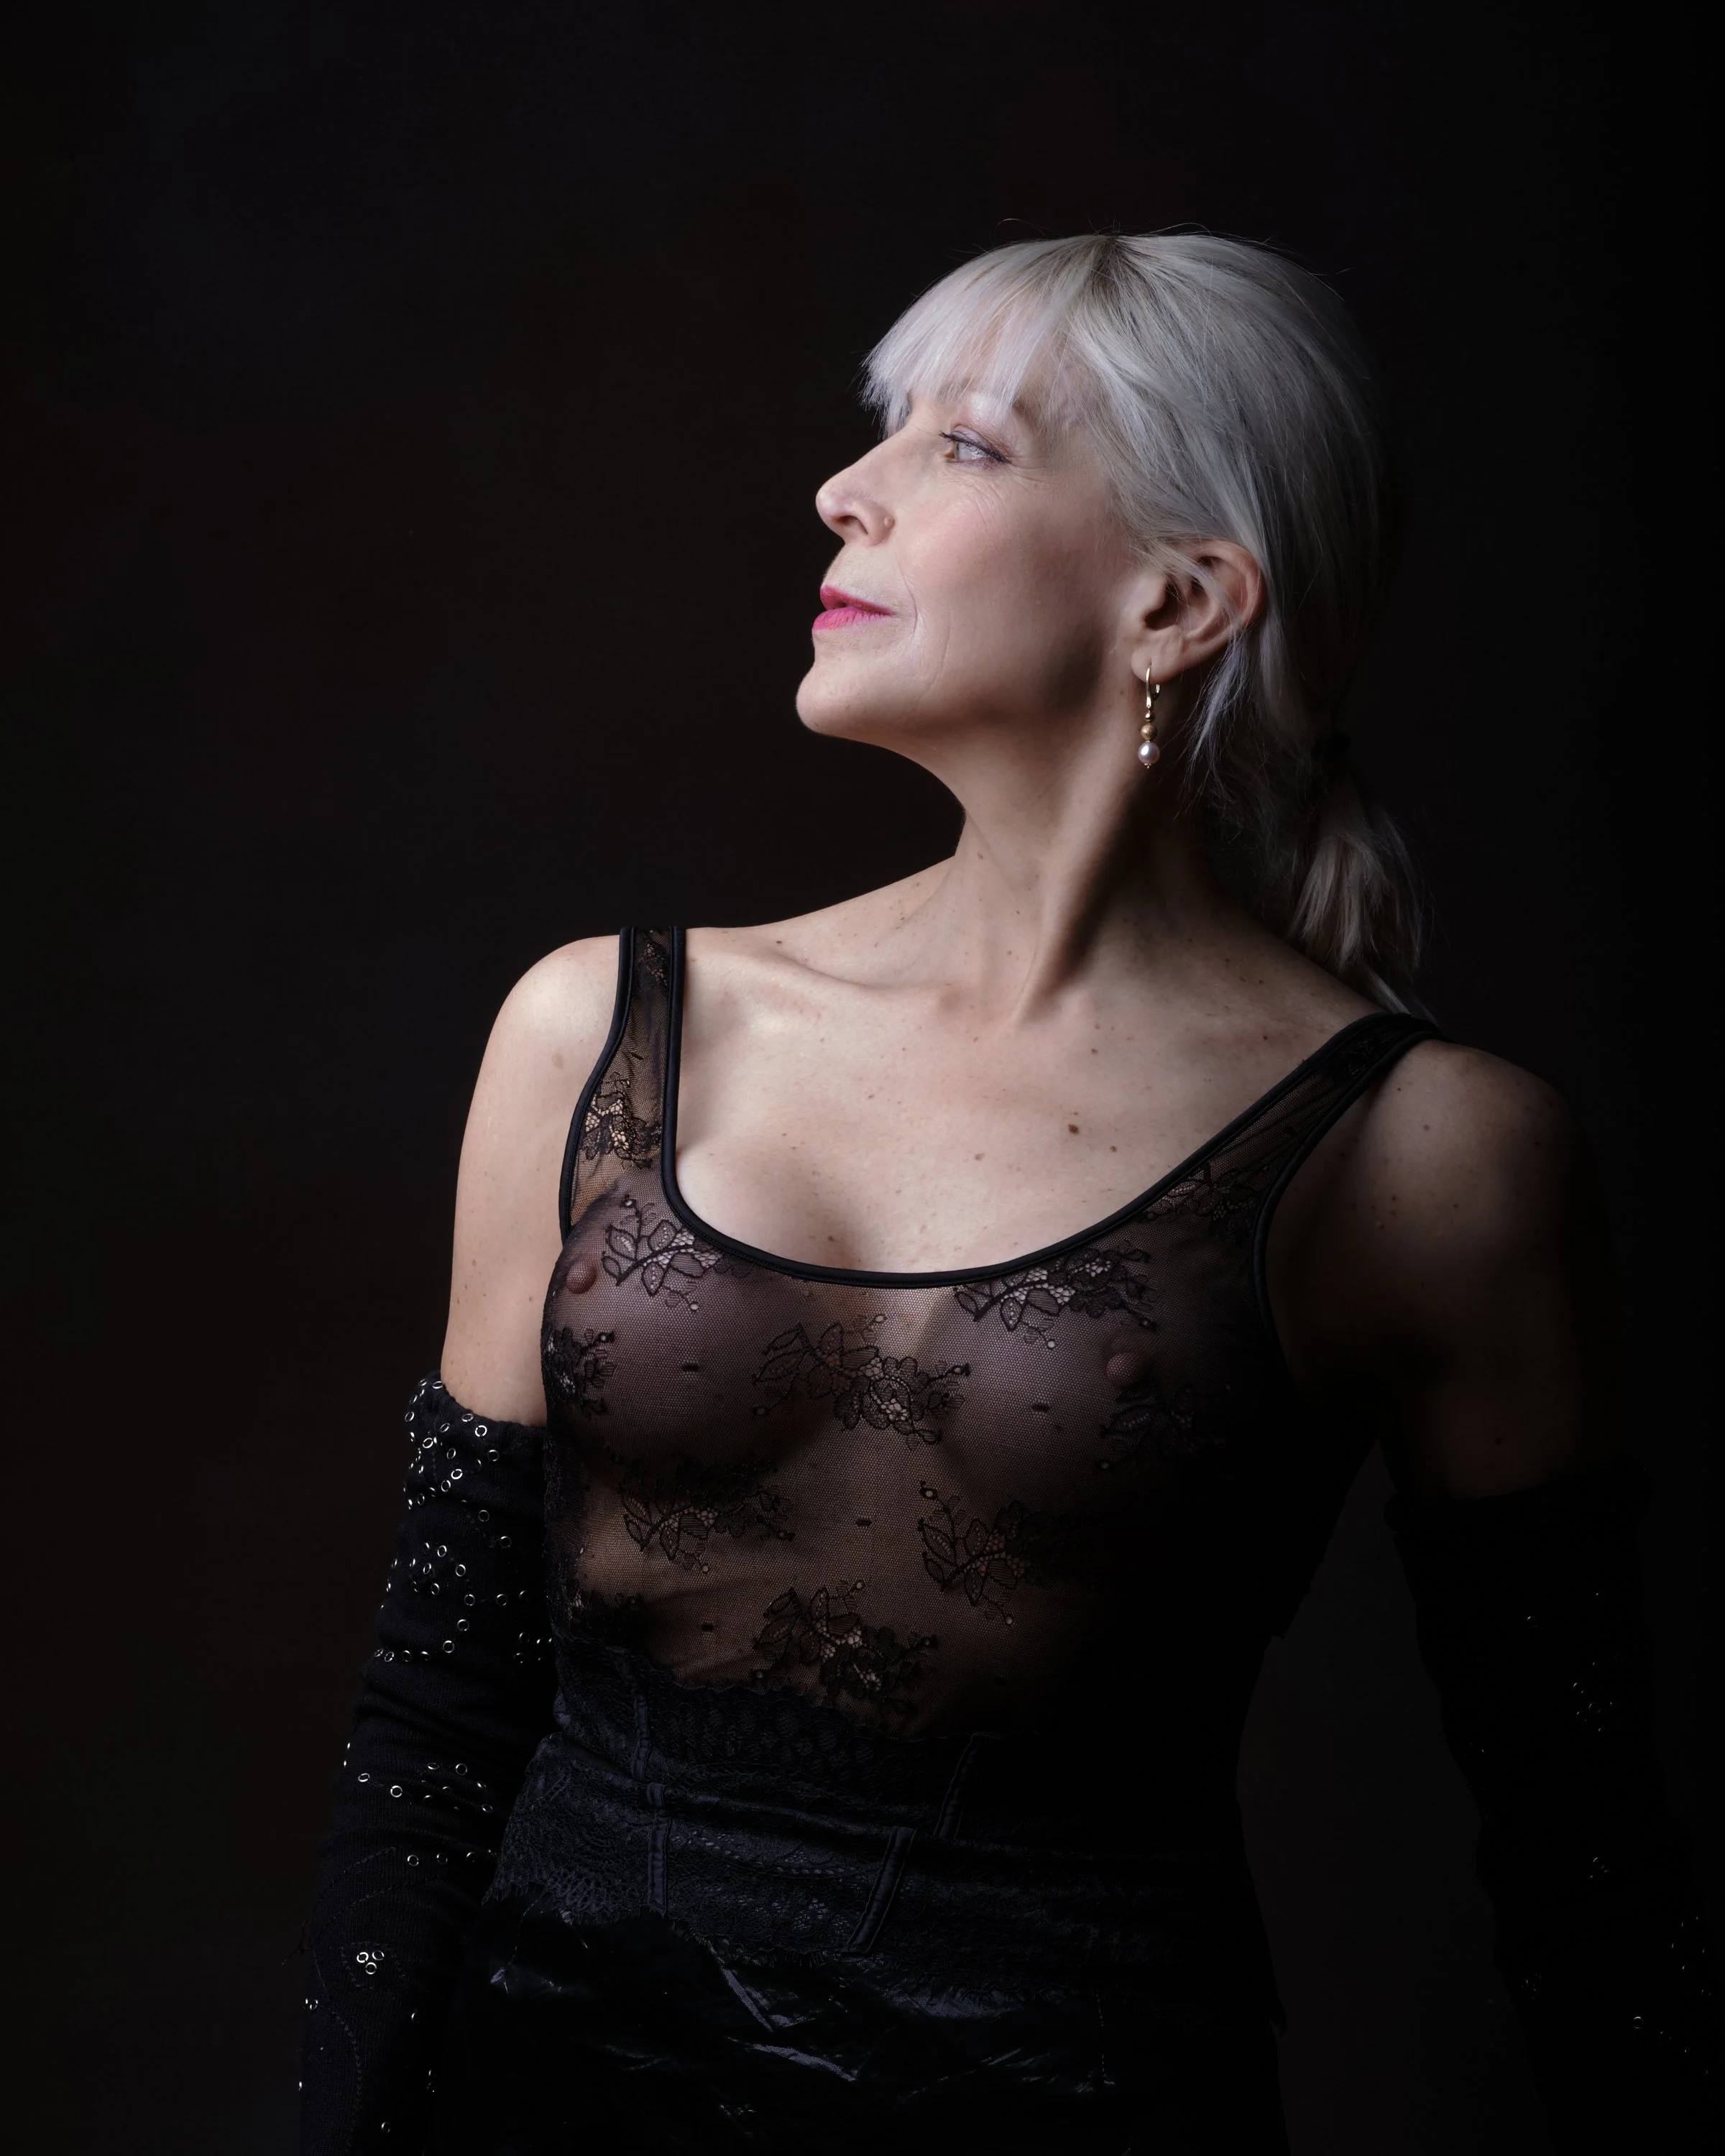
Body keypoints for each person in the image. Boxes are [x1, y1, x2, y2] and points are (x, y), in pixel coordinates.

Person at [300, 234, 1714, 2153]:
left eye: (959, 446)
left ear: (1180, 602)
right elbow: (436, 1720)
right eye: (882, 430)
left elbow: (1587, 1862)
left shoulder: (1427, 1153)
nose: (844, 490)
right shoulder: (603, 1030)